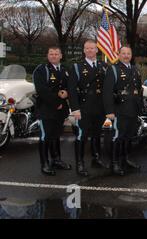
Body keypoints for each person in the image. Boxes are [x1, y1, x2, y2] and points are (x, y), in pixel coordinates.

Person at [68, 40, 109, 177]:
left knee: (97, 134)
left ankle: (96, 158)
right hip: (84, 107)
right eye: (87, 48)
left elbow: (107, 88)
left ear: (97, 50)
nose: (90, 50)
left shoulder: (103, 66)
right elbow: (72, 90)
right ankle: (80, 163)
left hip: (100, 107)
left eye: (93, 48)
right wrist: (75, 108)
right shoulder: (77, 67)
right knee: (82, 135)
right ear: (84, 51)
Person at [103, 46, 143, 176]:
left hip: (133, 110)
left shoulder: (135, 69)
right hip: (119, 110)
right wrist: (109, 111)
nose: (126, 55)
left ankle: (125, 159)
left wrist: (140, 108)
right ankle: (115, 163)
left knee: (128, 137)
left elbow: (139, 90)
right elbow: (107, 92)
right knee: (117, 137)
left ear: (131, 55)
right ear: (118, 55)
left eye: (128, 53)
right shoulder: (113, 69)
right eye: (123, 53)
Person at [33, 46, 72, 176]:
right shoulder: (41, 70)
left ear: (61, 55)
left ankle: (56, 160)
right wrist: (57, 102)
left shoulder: (65, 70)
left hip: (60, 111)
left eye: (56, 54)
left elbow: (69, 86)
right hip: (46, 110)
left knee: (56, 135)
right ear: (47, 55)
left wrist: (67, 92)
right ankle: (44, 164)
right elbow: (42, 90)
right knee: (45, 137)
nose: (54, 56)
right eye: (51, 54)